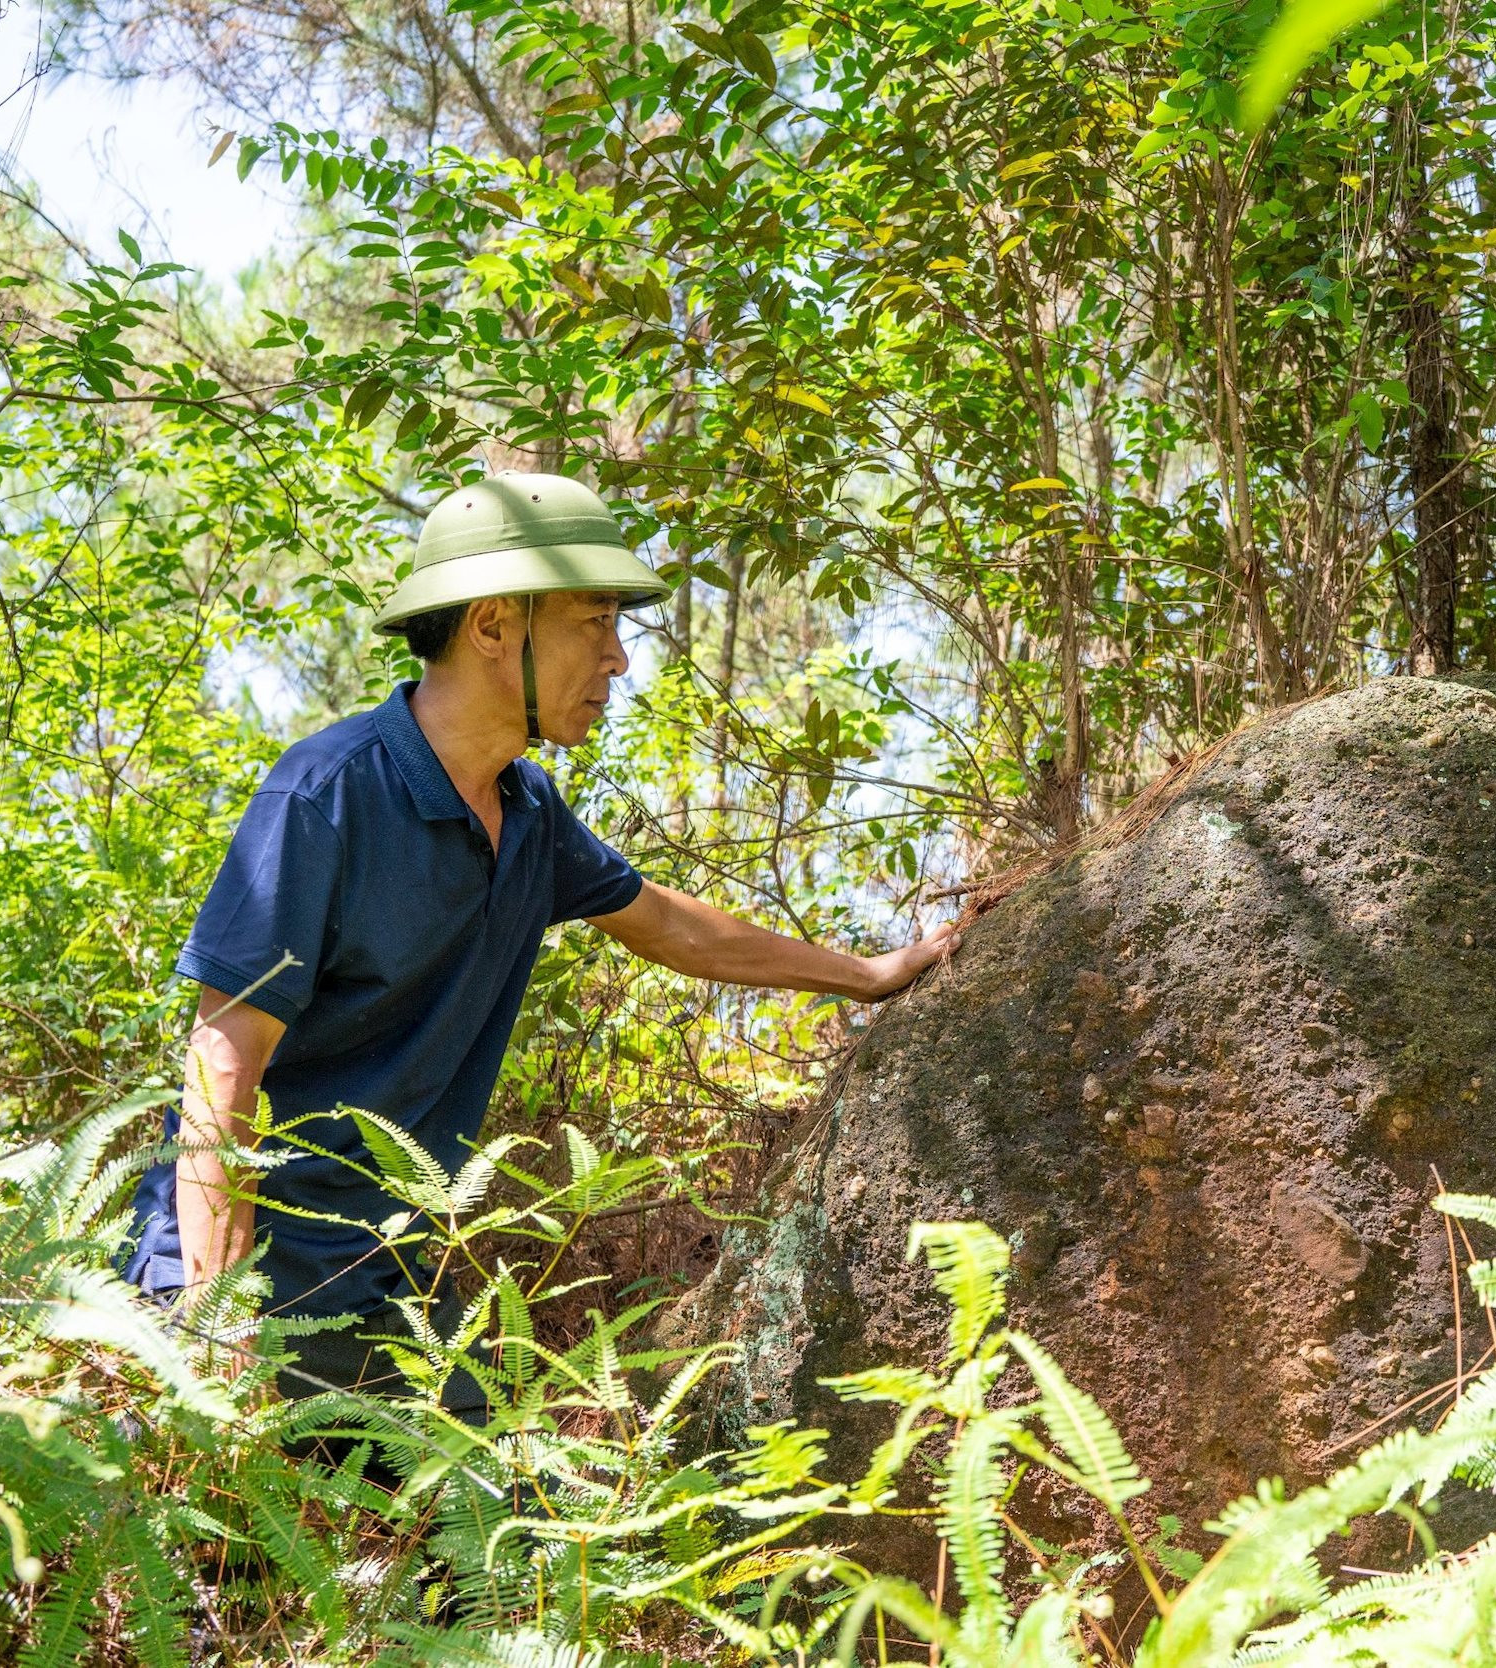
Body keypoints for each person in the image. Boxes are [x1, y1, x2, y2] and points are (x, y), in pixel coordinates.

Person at [120, 472, 953, 1413]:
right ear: (491, 627)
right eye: (593, 623)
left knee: (510, 1536)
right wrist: (216, 1312)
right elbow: (223, 1061)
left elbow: (674, 926)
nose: (619, 660)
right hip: (246, 1284)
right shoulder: (329, 795)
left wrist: (868, 976)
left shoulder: (528, 811)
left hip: (390, 1293)